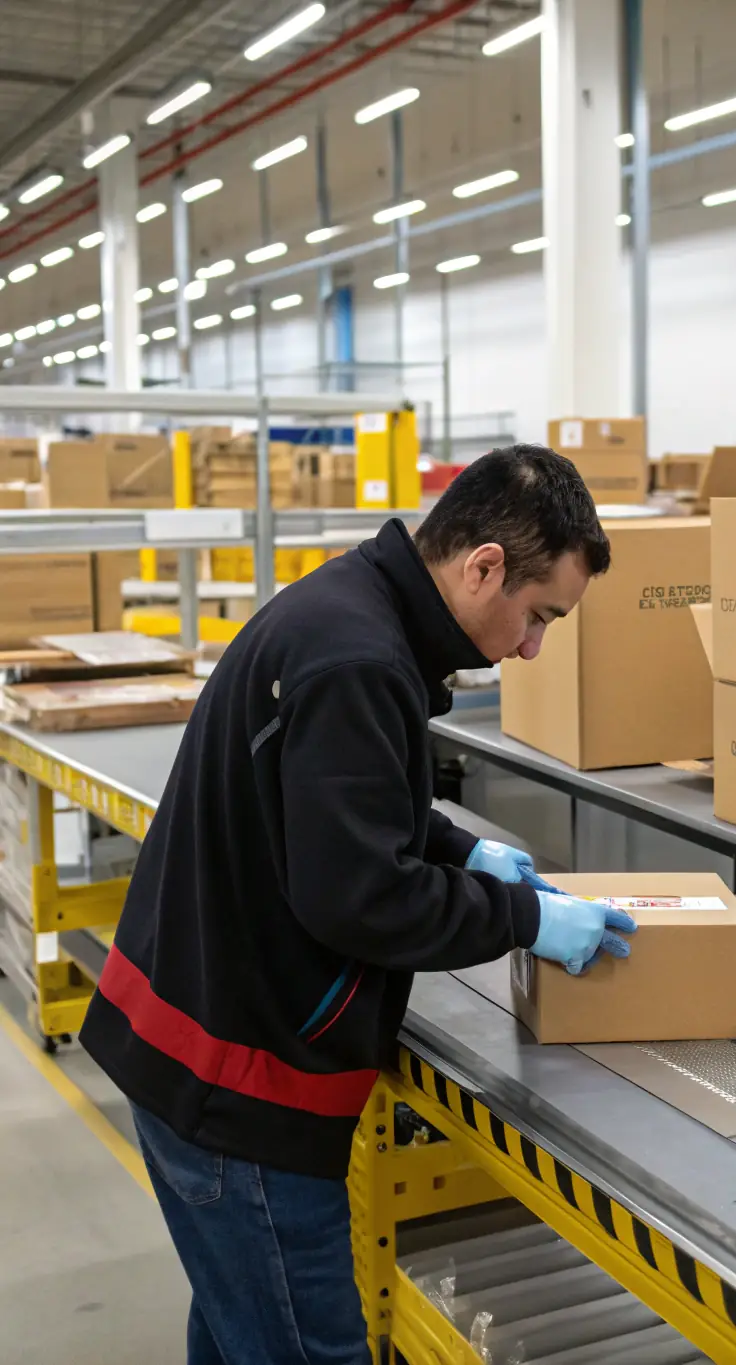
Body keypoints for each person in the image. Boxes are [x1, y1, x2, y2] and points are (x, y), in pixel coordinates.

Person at [80, 443, 636, 1365]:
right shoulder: (358, 658)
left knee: (239, 1330)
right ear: (484, 566)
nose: (533, 646)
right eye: (537, 616)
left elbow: (344, 801)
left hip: (197, 1045)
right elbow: (361, 899)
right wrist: (527, 919)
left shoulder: (357, 610)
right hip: (238, 1084)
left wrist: (462, 848)